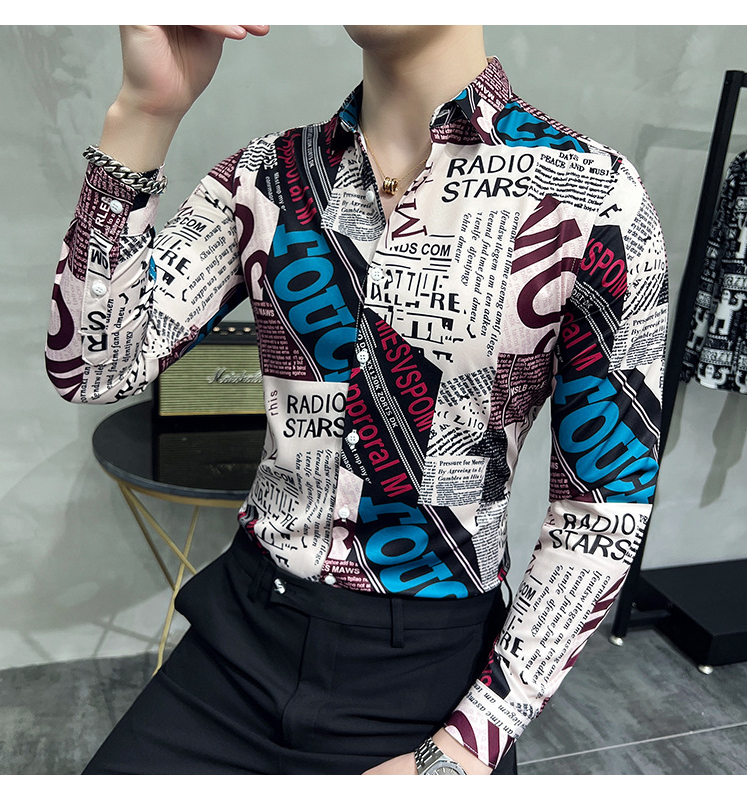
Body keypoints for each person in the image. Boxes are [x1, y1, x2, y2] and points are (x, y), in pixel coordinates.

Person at [45, 25, 669, 775]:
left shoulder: (594, 196)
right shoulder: (268, 176)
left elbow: (605, 501)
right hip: (243, 636)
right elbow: (91, 369)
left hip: (428, 676)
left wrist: (465, 748)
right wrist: (146, 111)